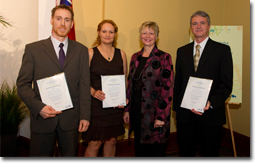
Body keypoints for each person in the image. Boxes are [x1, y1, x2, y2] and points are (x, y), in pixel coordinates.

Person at [16, 4, 91, 156]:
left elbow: (84, 86)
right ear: (51, 20)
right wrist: (39, 107)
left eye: (67, 20)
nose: (63, 23)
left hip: (70, 120)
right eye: (58, 19)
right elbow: (22, 85)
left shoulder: (81, 51)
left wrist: (85, 116)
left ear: (72, 23)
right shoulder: (33, 50)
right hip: (42, 120)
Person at [173, 10, 233, 157]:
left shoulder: (222, 50)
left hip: (210, 115)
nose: (198, 26)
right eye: (194, 23)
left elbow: (226, 85)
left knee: (209, 154)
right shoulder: (182, 51)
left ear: (209, 26)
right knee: (186, 153)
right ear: (190, 27)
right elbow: (178, 82)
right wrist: (176, 111)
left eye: (202, 23)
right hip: (185, 116)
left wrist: (210, 103)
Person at [123, 21, 174, 157]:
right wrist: (127, 110)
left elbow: (167, 89)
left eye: (151, 33)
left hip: (155, 114)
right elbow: (130, 85)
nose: (147, 36)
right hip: (137, 112)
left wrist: (161, 116)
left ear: (157, 36)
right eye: (144, 33)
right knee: (140, 152)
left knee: (155, 153)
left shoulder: (164, 57)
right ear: (140, 36)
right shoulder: (135, 57)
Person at [83, 19, 128, 157]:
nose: (107, 34)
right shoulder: (90, 53)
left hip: (115, 107)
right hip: (96, 107)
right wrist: (93, 92)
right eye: (104, 31)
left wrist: (123, 101)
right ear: (98, 33)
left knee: (112, 141)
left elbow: (125, 80)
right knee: (95, 143)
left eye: (111, 31)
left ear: (115, 35)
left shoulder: (122, 54)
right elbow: (82, 80)